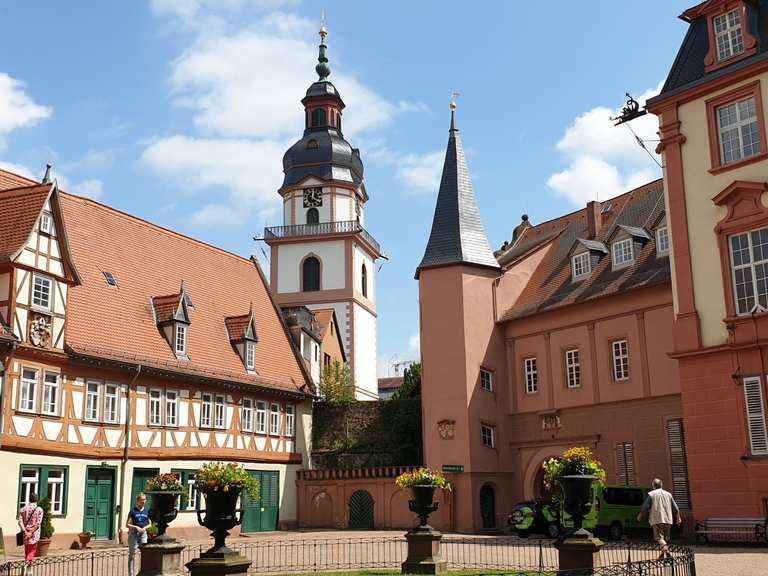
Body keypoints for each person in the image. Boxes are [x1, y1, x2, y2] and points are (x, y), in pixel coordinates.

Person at [637, 478, 682, 558]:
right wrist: (678, 518)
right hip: (668, 520)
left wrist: (640, 516)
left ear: (653, 486)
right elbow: (676, 508)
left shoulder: (651, 494)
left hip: (657, 519)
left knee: (658, 538)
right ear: (661, 485)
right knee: (665, 538)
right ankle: (662, 554)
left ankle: (666, 550)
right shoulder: (668, 494)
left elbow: (645, 507)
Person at [17, 491, 43, 576]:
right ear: (36, 499)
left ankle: (29, 571)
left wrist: (25, 531)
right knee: (32, 551)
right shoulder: (39, 510)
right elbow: (38, 523)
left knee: (27, 551)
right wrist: (31, 532)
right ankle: (25, 565)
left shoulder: (23, 509)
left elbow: (20, 522)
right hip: (34, 534)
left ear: (29, 499)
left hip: (25, 533)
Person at [126, 493, 152, 576]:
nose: (143, 502)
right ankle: (131, 574)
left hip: (143, 533)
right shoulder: (133, 511)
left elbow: (150, 524)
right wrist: (136, 527)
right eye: (142, 500)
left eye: (144, 500)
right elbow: (127, 524)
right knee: (132, 554)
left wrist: (144, 528)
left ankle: (144, 573)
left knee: (145, 553)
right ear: (138, 501)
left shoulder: (147, 511)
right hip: (134, 533)